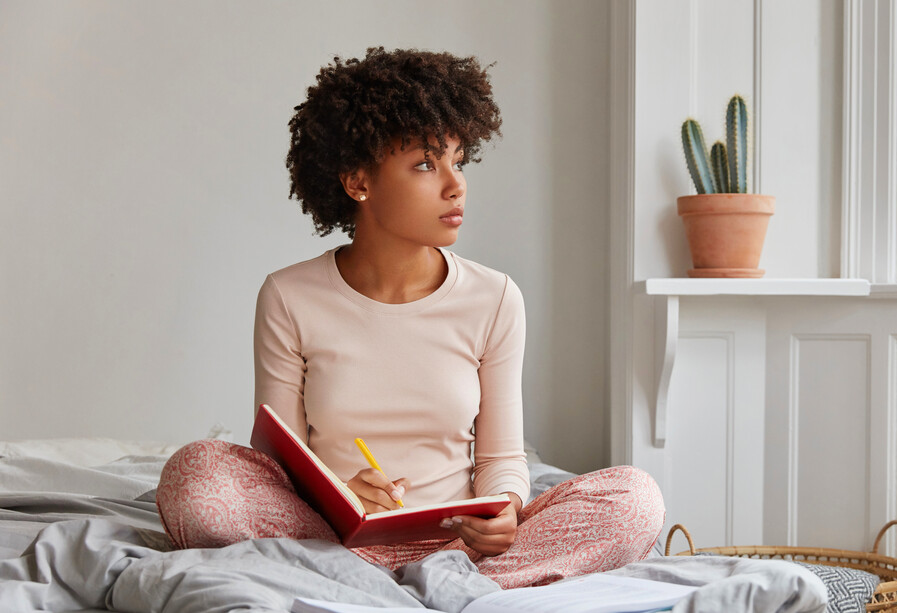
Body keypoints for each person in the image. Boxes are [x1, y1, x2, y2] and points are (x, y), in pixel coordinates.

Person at [156, 46, 664, 589]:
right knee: (195, 476)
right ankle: (414, 585)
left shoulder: (494, 297)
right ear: (358, 182)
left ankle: (413, 581)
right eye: (426, 163)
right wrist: (343, 492)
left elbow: (501, 458)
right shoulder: (288, 295)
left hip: (458, 544)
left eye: (458, 161)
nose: (455, 183)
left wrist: (507, 508)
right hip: (331, 535)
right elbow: (281, 464)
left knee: (635, 499)